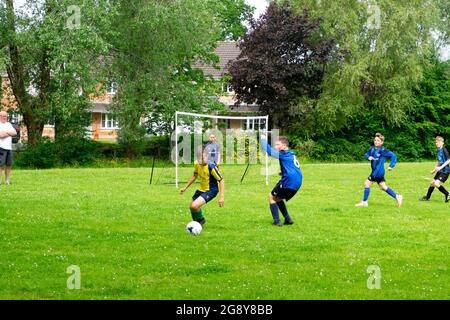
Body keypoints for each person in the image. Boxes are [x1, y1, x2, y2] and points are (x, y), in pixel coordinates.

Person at [261, 135, 302, 226]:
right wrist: (283, 172)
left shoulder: (283, 154)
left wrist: (263, 139)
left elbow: (269, 151)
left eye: (278, 144)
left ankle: (277, 222)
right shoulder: (291, 154)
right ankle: (288, 219)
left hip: (289, 181)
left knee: (271, 197)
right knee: (278, 198)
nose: (276, 147)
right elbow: (293, 167)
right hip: (297, 182)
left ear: (284, 146)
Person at [180, 145, 225, 226]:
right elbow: (195, 175)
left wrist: (221, 197)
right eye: (199, 158)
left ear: (207, 155)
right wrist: (185, 187)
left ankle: (199, 222)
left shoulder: (211, 166)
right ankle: (198, 222)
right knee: (192, 207)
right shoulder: (197, 163)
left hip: (211, 190)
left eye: (203, 158)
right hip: (201, 189)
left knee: (194, 206)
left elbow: (221, 180)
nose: (201, 160)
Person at [355, 133, 403, 207]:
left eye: (378, 140)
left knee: (367, 184)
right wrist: (368, 157)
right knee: (383, 187)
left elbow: (393, 156)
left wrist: (391, 166)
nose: (376, 141)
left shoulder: (383, 150)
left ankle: (364, 202)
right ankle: (397, 197)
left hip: (377, 172)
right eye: (375, 140)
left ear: (381, 142)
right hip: (375, 171)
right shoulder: (372, 149)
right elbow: (366, 154)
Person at [419, 136, 450, 203]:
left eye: (439, 142)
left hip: (445, 171)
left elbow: (448, 160)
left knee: (436, 183)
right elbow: (439, 161)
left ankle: (447, 193)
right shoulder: (438, 150)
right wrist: (434, 169)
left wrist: (440, 167)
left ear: (442, 143)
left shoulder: (444, 150)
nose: (437, 143)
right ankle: (427, 197)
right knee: (432, 183)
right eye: (436, 142)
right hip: (440, 170)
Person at [0, 111, 17, 185]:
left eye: (6, 116)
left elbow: (15, 132)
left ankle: (7, 181)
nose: (5, 117)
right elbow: (1, 135)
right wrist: (9, 133)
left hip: (9, 148)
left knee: (8, 165)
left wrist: (6, 133)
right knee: (0, 165)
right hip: (1, 147)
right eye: (3, 116)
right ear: (0, 116)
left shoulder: (9, 124)